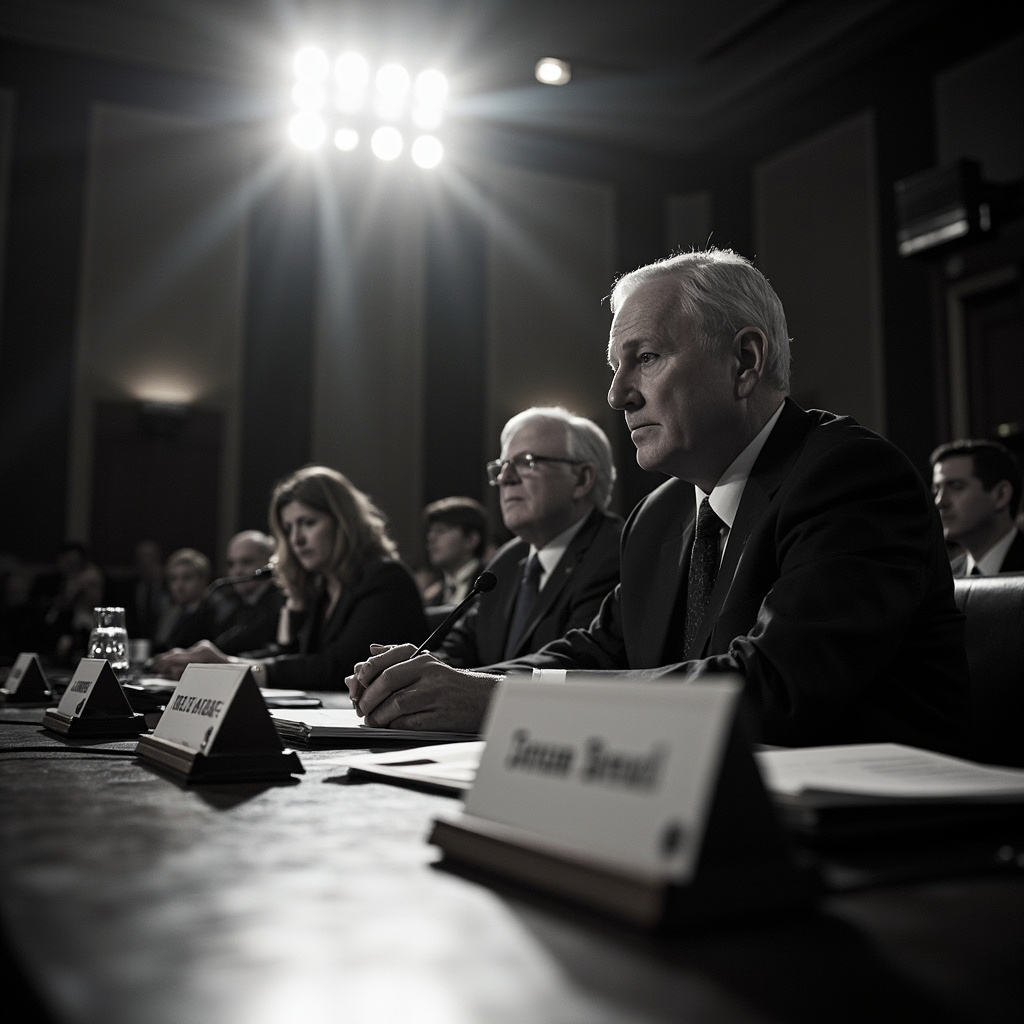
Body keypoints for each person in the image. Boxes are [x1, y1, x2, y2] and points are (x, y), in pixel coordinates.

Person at [347, 247, 969, 757]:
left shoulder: (848, 475)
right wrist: (451, 686)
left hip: (887, 851)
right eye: (615, 368)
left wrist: (493, 703)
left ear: (745, 362)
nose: (618, 396)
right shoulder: (662, 514)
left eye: (644, 359)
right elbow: (598, 653)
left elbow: (773, 691)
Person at [148, 465, 427, 690]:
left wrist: (232, 666)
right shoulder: (323, 586)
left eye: (308, 522)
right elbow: (292, 656)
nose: (296, 539)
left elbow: (338, 668)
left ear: (343, 521)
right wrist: (223, 665)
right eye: (288, 527)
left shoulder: (385, 577)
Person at [433, 406, 623, 667]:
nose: (505, 478)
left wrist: (463, 684)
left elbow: (574, 665)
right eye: (502, 466)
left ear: (581, 479)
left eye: (526, 462)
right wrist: (410, 672)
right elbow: (458, 648)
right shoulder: (509, 560)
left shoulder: (615, 552)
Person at [930, 438, 1024, 576]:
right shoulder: (946, 578)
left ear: (1001, 495)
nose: (939, 502)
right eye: (936, 490)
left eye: (956, 486)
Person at [210, 529, 285, 655]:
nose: (237, 571)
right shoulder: (233, 605)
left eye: (246, 562)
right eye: (231, 564)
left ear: (269, 563)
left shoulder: (281, 604)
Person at [420, 497, 490, 606]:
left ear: (471, 539)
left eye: (441, 530)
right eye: (430, 531)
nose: (431, 538)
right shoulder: (432, 596)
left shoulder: (491, 587)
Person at [150, 548, 220, 654]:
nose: (179, 586)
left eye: (187, 578)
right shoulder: (171, 613)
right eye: (173, 578)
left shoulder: (217, 611)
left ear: (203, 580)